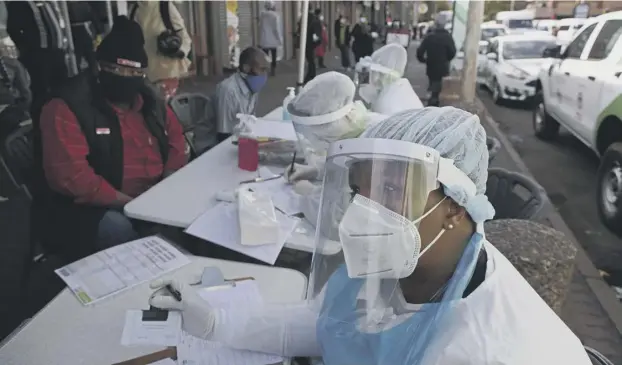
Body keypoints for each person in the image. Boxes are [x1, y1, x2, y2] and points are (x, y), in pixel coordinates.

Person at [149, 107, 593, 365]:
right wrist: (217, 321)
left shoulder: (490, 350)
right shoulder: (408, 259)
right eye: (361, 189)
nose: (366, 209)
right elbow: (329, 326)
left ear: (455, 208)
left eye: (393, 190)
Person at [36, 16, 187, 260]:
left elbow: (177, 142)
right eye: (117, 70)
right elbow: (72, 178)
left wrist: (166, 186)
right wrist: (130, 203)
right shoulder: (66, 106)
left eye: (134, 71)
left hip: (151, 193)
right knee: (118, 229)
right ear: (98, 68)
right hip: (88, 207)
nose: (126, 77)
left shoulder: (151, 101)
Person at [284, 71, 387, 230]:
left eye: (315, 131)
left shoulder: (363, 151)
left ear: (328, 127)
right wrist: (315, 170)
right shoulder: (357, 125)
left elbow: (338, 223)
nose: (314, 139)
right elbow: (341, 166)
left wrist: (307, 195)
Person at [205, 47, 268, 148]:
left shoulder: (252, 87)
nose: (265, 75)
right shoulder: (228, 90)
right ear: (246, 68)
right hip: (213, 146)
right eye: (261, 69)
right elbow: (223, 134)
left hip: (237, 138)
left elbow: (249, 123)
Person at [131, 1, 192, 100]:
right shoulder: (135, 9)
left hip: (167, 73)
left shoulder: (164, 6)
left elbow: (184, 37)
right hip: (146, 73)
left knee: (167, 108)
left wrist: (179, 52)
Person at [355, 43, 423, 114]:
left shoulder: (386, 103)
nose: (363, 82)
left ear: (379, 75)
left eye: (368, 75)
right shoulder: (399, 87)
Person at [416, 14, 456, 107]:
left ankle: (432, 101)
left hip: (431, 66)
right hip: (443, 67)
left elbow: (420, 51)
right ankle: (436, 102)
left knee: (433, 83)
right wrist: (446, 59)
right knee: (440, 86)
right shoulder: (448, 37)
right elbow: (453, 52)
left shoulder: (429, 37)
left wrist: (423, 60)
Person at [259, 1, 283, 77]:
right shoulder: (275, 16)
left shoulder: (262, 15)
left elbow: (260, 27)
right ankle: (273, 70)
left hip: (265, 40)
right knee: (273, 56)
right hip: (273, 40)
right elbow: (277, 29)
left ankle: (264, 70)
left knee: (265, 56)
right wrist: (280, 39)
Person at [302, 8, 322, 84]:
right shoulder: (313, 18)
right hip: (310, 42)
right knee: (311, 60)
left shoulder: (309, 18)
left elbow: (314, 33)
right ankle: (311, 76)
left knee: (310, 60)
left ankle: (311, 76)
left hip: (308, 42)